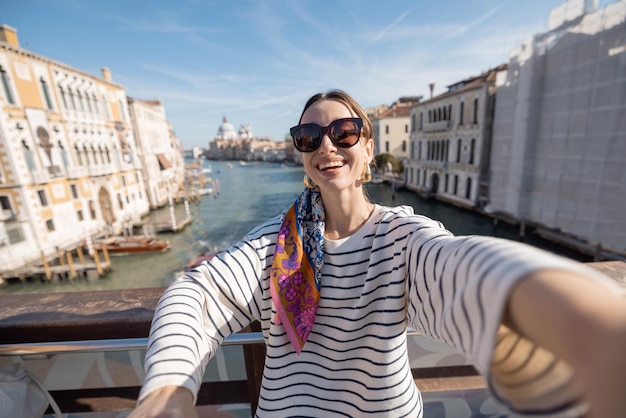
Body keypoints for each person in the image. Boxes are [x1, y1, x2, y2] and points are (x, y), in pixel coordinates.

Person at [129, 89, 626, 418]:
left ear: (367, 148)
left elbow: (460, 271)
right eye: (309, 137)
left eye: (343, 133)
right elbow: (200, 295)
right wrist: (168, 392)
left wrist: (572, 314)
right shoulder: (273, 245)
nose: (327, 146)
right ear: (301, 155)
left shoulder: (404, 237)